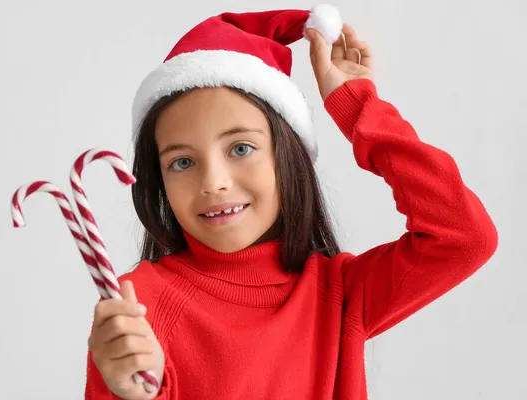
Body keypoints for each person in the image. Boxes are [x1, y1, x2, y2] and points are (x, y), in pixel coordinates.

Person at [84, 6, 498, 400]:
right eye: (183, 161)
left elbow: (464, 236)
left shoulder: (339, 294)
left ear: (288, 157)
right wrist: (130, 391)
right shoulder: (138, 305)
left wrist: (357, 108)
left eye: (241, 148)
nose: (213, 182)